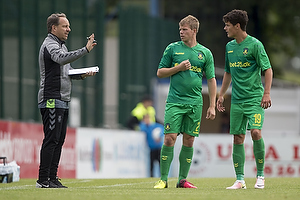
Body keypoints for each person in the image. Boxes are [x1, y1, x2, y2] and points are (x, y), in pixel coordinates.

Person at [154, 15, 217, 189]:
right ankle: (163, 180)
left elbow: (211, 80)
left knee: (189, 140)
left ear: (194, 31)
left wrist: (212, 105)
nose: (181, 32)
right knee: (169, 138)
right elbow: (160, 72)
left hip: (195, 103)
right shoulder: (172, 49)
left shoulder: (205, 53)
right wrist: (178, 68)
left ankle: (182, 180)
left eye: (185, 30)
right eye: (180, 29)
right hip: (174, 101)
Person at [36, 13, 97, 188]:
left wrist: (82, 74)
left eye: (68, 26)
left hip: (62, 99)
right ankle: (43, 179)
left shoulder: (60, 46)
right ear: (53, 28)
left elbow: (66, 71)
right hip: (51, 99)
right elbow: (62, 60)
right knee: (51, 139)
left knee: (59, 139)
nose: (69, 29)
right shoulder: (50, 45)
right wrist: (85, 50)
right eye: (65, 26)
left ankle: (52, 178)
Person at [217, 9, 273, 189]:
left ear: (237, 26)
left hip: (255, 99)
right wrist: (221, 94)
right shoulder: (229, 47)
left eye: (227, 25)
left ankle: (261, 176)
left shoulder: (255, 45)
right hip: (237, 101)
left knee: (256, 132)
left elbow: (268, 69)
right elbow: (227, 72)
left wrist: (266, 93)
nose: (225, 28)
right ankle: (240, 180)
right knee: (238, 138)